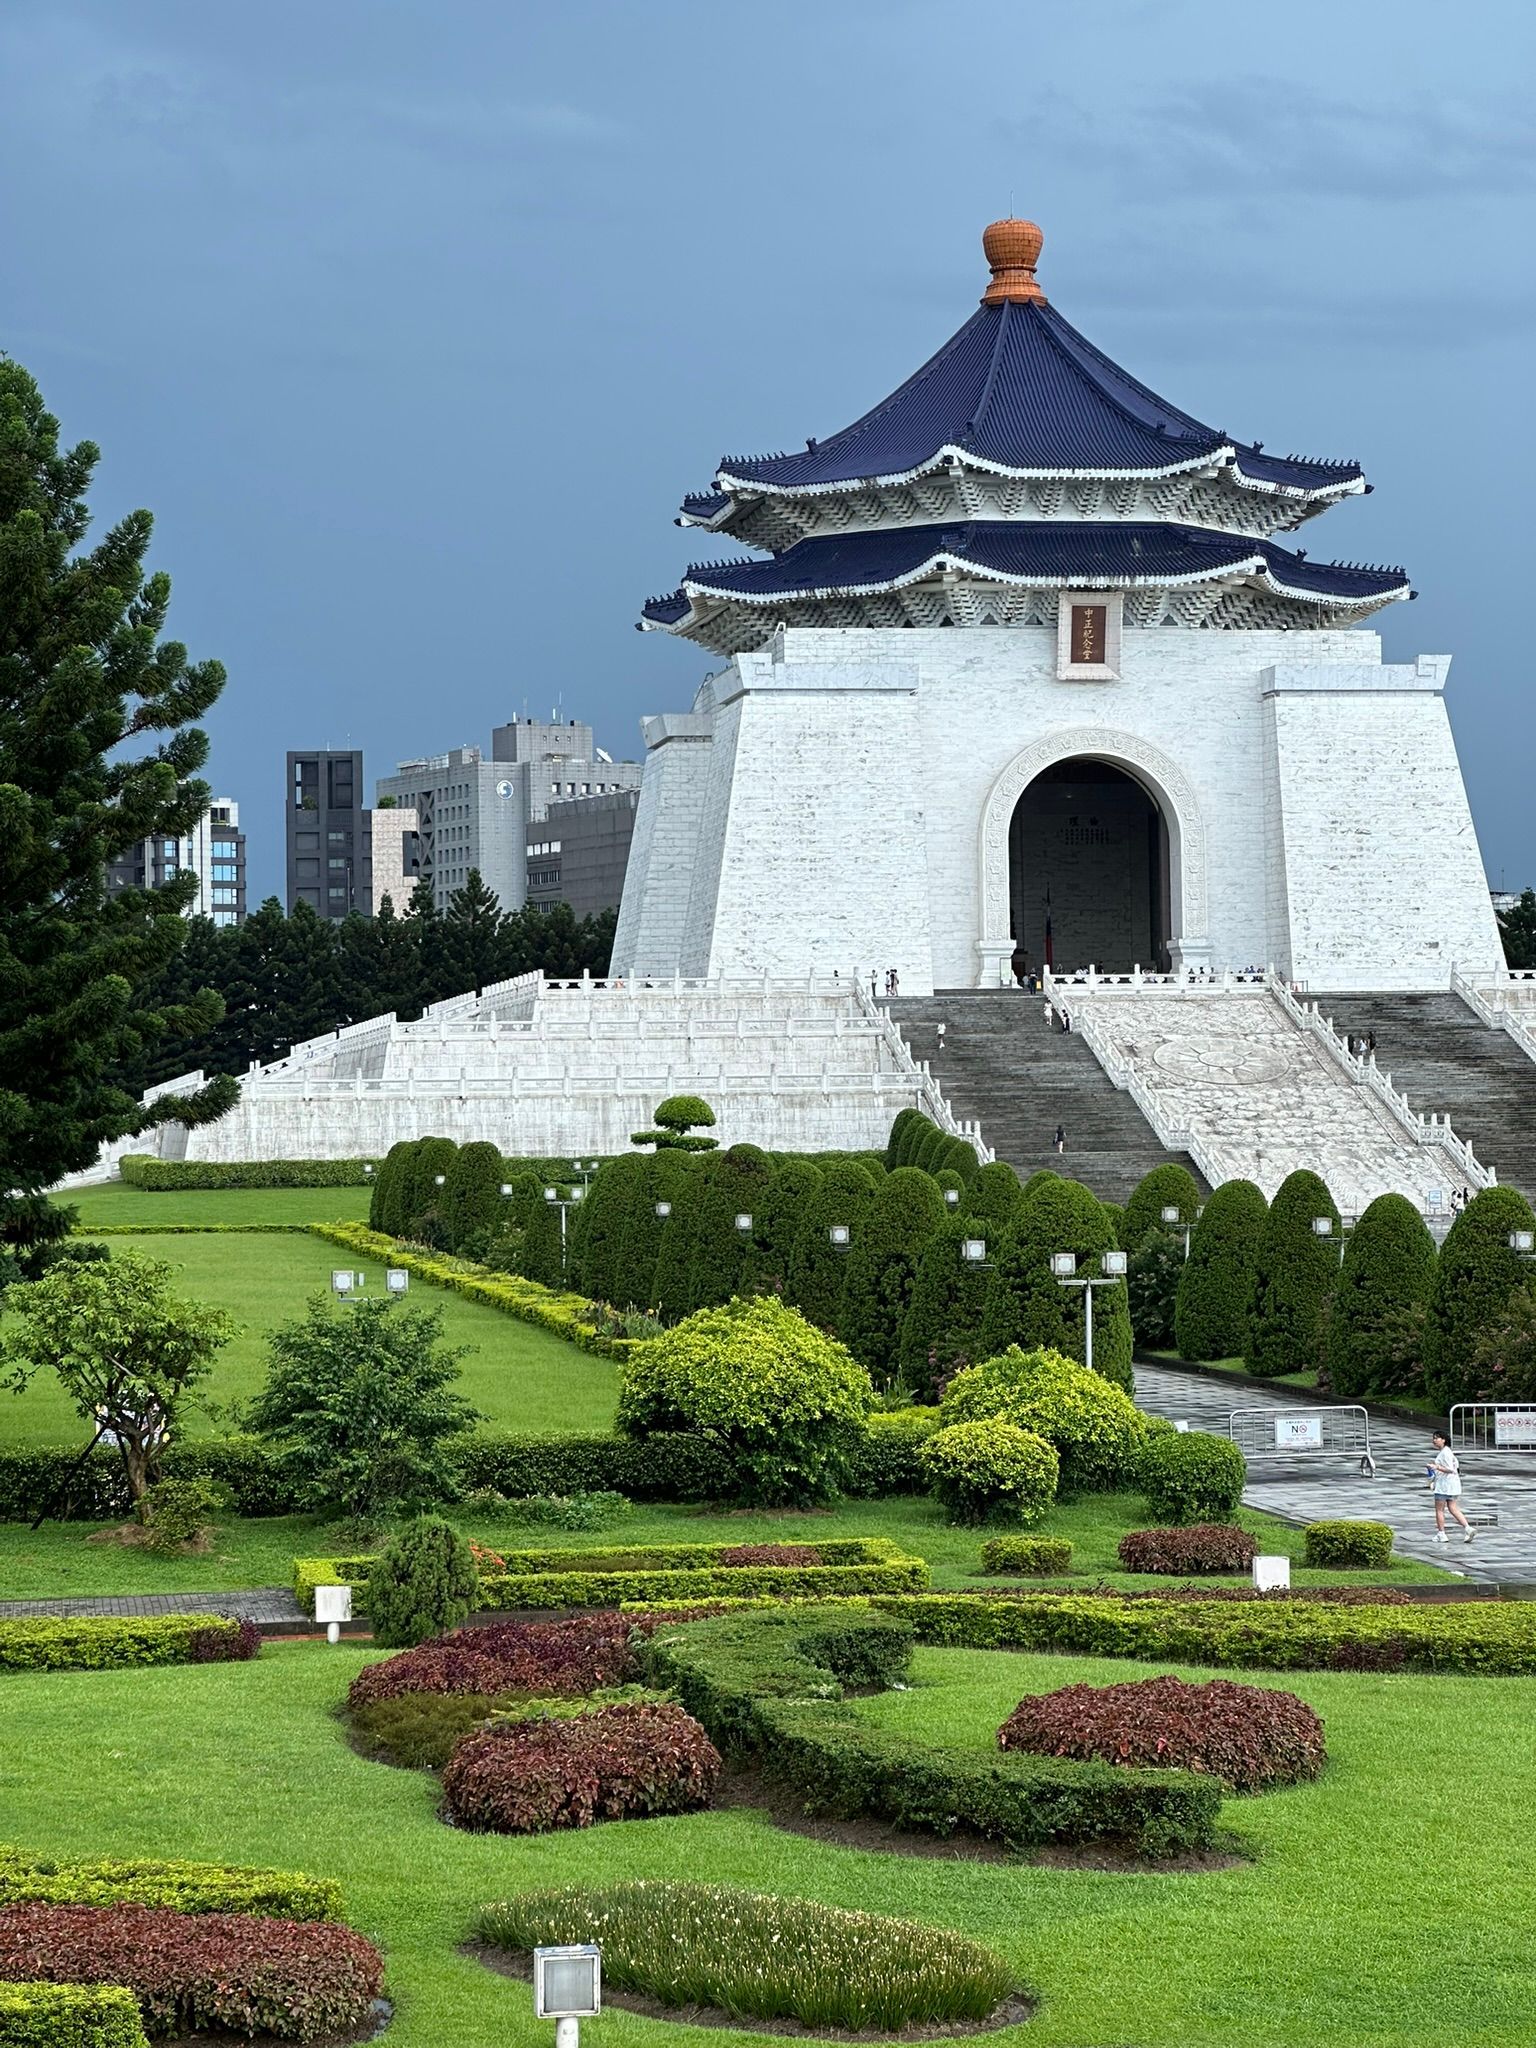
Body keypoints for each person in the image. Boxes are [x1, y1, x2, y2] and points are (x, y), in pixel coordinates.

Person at [1428, 1431, 1473, 1544]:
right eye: (1434, 1438)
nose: (1434, 1440)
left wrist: (1436, 1467)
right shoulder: (1448, 1452)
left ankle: (1441, 1533)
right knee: (1453, 1508)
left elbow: (1449, 1469)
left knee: (1439, 1510)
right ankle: (1467, 1528)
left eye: (1437, 1438)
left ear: (1444, 1440)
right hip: (1452, 1485)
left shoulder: (1445, 1453)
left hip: (1444, 1485)